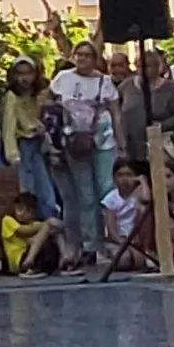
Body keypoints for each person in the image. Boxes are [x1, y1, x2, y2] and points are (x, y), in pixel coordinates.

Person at [49, 40, 118, 255]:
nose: (82, 59)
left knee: (105, 187)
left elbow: (116, 112)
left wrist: (122, 143)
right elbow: (48, 103)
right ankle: (89, 244)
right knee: (85, 193)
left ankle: (111, 239)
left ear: (95, 59)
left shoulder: (105, 82)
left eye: (87, 55)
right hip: (74, 140)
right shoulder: (63, 79)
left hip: (102, 138)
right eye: (79, 54)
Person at [0, 54, 55, 219]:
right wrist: (12, 154)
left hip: (38, 145)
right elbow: (9, 126)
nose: (24, 78)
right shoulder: (12, 96)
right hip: (22, 146)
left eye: (28, 73)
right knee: (27, 191)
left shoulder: (39, 94)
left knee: (46, 193)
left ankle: (48, 225)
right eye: (19, 74)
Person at [0, 191, 77, 276]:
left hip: (38, 256)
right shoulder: (7, 220)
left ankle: (65, 260)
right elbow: (23, 231)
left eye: (28, 211)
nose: (23, 213)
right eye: (20, 209)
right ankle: (30, 260)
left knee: (54, 232)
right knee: (49, 227)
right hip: (20, 260)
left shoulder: (36, 223)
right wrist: (48, 224)